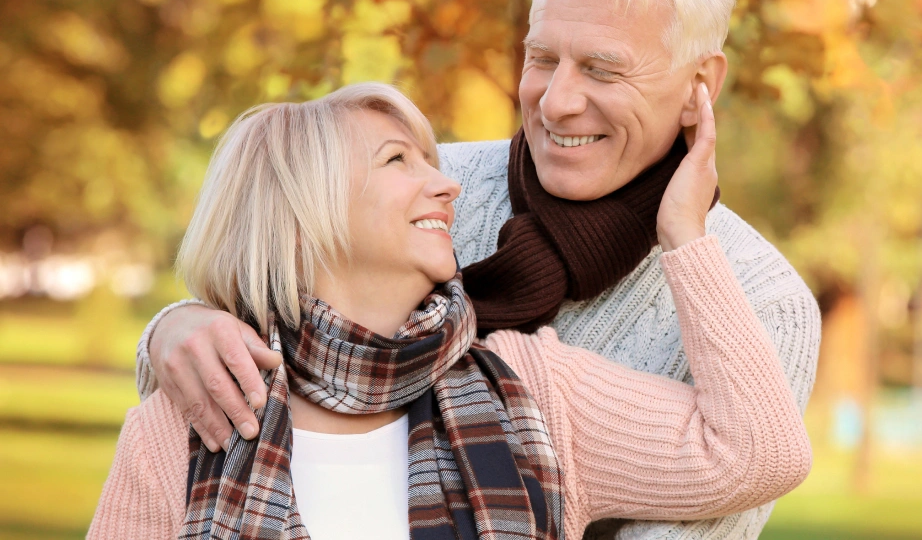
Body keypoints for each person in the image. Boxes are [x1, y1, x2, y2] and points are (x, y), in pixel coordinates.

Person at [134, 0, 822, 539]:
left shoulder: (762, 302)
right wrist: (178, 326)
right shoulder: (428, 197)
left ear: (702, 85)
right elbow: (279, 331)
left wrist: (684, 241)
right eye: (542, 58)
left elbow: (744, 466)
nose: (556, 102)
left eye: (603, 71)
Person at [89, 83, 811, 540]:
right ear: (301, 216)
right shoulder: (187, 430)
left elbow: (758, 453)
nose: (447, 186)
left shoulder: (534, 389)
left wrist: (684, 233)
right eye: (399, 161)